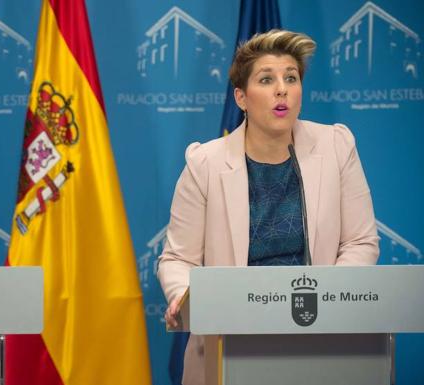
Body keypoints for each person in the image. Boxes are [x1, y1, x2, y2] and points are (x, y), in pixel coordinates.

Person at [157, 30, 379, 385]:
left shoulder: (337, 146)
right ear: (241, 97)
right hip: (229, 343)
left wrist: (328, 301)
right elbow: (177, 259)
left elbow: (360, 242)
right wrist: (187, 297)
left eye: (291, 78)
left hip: (319, 338)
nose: (282, 89)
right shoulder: (205, 163)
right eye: (267, 79)